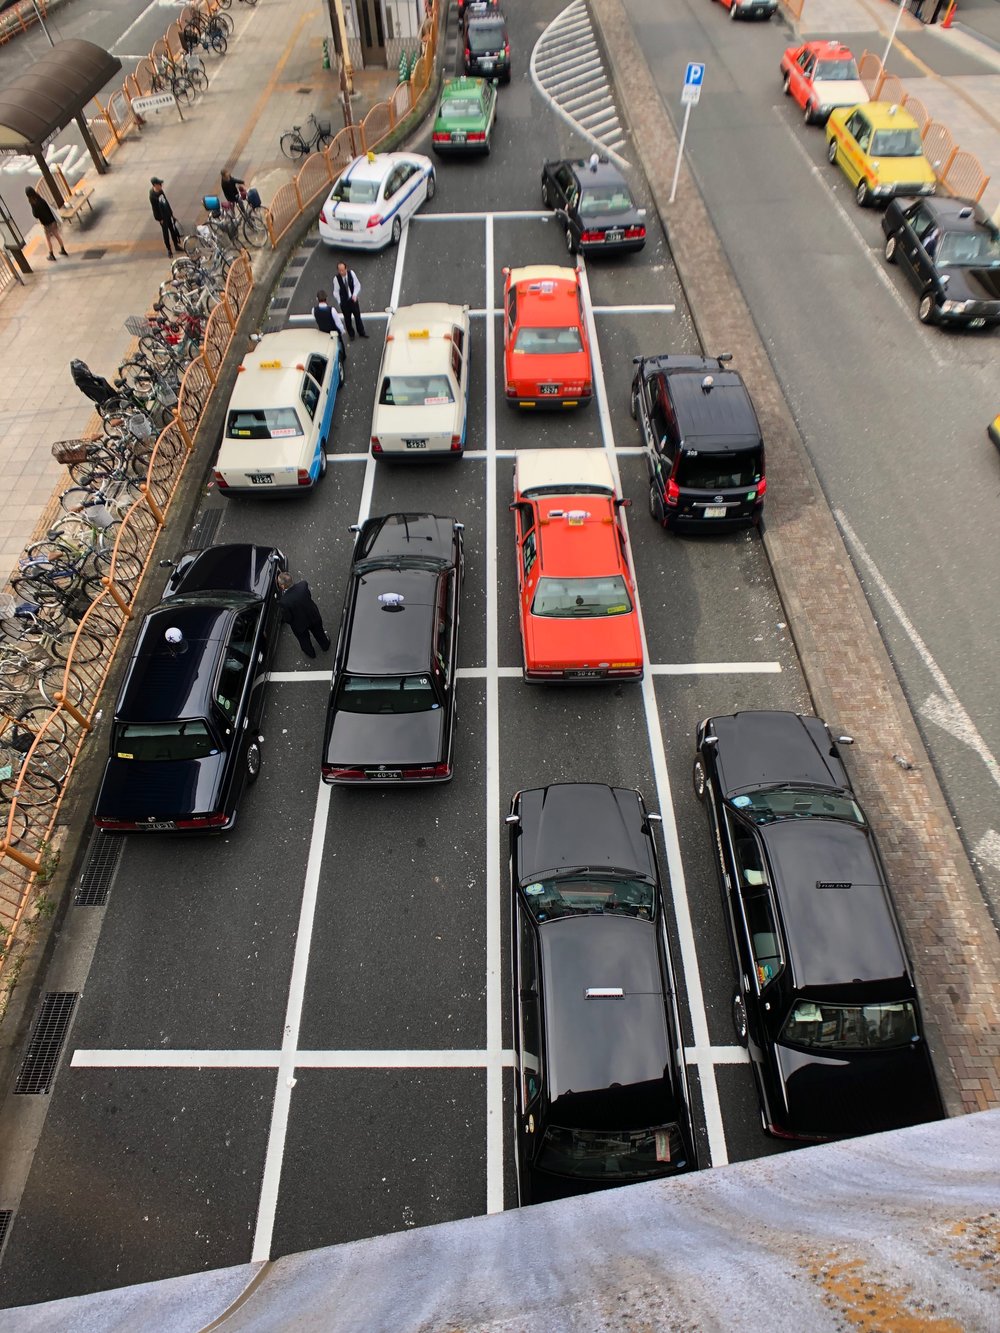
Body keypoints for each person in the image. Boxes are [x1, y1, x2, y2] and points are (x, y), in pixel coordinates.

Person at [277, 571, 331, 659]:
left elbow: (288, 618)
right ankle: (325, 645)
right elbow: (308, 596)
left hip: (299, 625)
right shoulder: (303, 585)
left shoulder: (284, 601)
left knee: (304, 640)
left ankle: (310, 653)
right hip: (313, 616)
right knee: (319, 632)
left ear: (282, 586)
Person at [25, 186, 67, 262]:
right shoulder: (41, 199)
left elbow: (35, 215)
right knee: (57, 235)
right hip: (52, 221)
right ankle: (63, 249)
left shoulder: (34, 204)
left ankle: (51, 255)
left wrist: (32, 205)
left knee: (48, 239)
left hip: (46, 224)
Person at [334, 261, 368, 338]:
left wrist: (355, 295)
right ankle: (351, 334)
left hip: (353, 300)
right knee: (347, 319)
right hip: (344, 302)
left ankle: (361, 332)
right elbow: (335, 292)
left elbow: (357, 285)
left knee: (357, 316)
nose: (341, 272)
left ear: (346, 269)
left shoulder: (351, 274)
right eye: (340, 270)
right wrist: (340, 301)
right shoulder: (336, 279)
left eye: (343, 270)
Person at [149, 176, 182, 256]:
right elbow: (155, 209)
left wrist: (171, 213)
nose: (161, 186)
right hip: (162, 218)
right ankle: (169, 249)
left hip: (167, 214)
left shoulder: (160, 191)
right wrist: (159, 219)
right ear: (155, 185)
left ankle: (176, 245)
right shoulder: (152, 196)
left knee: (173, 230)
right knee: (166, 234)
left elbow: (166, 201)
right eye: (159, 184)